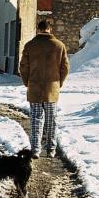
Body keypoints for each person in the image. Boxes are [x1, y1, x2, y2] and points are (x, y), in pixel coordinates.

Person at [19, 19, 70, 159]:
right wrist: (59, 82)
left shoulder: (30, 45)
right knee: (51, 120)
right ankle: (51, 149)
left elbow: (23, 66)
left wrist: (27, 82)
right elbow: (65, 67)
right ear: (50, 29)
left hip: (34, 87)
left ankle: (35, 149)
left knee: (36, 119)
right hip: (52, 89)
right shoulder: (59, 45)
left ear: (38, 29)